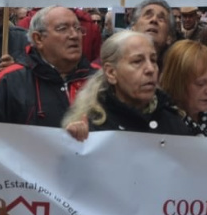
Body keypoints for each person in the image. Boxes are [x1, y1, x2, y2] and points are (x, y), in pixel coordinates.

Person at [61, 31, 191, 136]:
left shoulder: (174, 124)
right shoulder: (90, 129)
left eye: (153, 60)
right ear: (111, 73)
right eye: (137, 61)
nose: (150, 69)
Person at [0, 6, 98, 126]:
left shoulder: (100, 80)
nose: (74, 35)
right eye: (62, 29)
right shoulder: (8, 82)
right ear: (38, 39)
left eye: (77, 28)